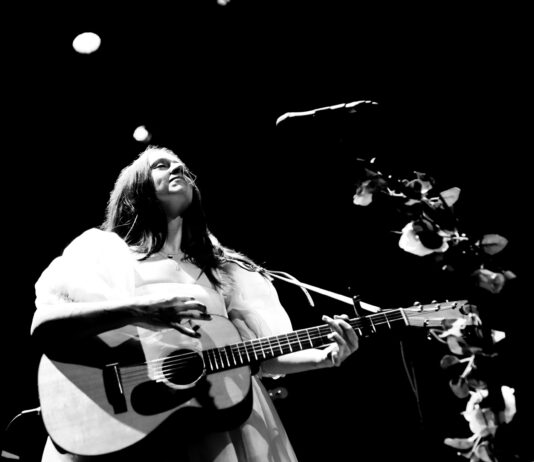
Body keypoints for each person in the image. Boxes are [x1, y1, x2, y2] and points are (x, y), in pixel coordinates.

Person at [30, 145, 359, 462]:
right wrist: (138, 311)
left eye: (182, 166)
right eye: (161, 165)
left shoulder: (224, 268)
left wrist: (323, 357)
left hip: (225, 417)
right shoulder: (102, 251)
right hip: (135, 423)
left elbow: (255, 357)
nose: (177, 168)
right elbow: (46, 326)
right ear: (134, 190)